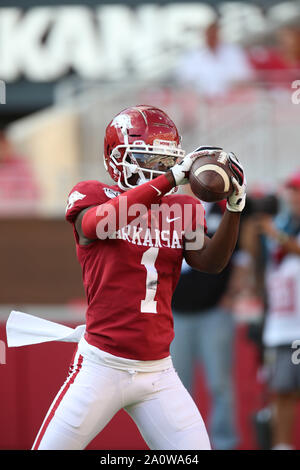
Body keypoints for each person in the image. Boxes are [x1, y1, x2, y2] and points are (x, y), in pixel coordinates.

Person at [32, 105, 246, 450]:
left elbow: (209, 262)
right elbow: (96, 225)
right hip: (101, 366)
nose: (158, 168)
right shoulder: (92, 195)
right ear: (116, 157)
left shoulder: (183, 209)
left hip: (157, 371)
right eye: (149, 158)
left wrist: (235, 208)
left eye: (165, 161)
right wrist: (169, 180)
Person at [171, 198, 238, 450]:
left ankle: (224, 444)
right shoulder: (171, 208)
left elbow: (240, 254)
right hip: (176, 311)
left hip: (214, 311)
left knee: (219, 383)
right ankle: (181, 446)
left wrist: (231, 294)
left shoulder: (224, 209)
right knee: (176, 385)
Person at [257, 171, 300, 450]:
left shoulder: (280, 230)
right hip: (280, 325)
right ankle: (282, 446)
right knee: (282, 391)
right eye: (290, 192)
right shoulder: (283, 224)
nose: (292, 197)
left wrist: (274, 233)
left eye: (296, 192)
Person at [175, 19, 254, 99]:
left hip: (232, 102)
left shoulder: (234, 52)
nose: (212, 37)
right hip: (201, 103)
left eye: (214, 34)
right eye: (209, 34)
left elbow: (244, 76)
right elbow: (185, 80)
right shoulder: (193, 56)